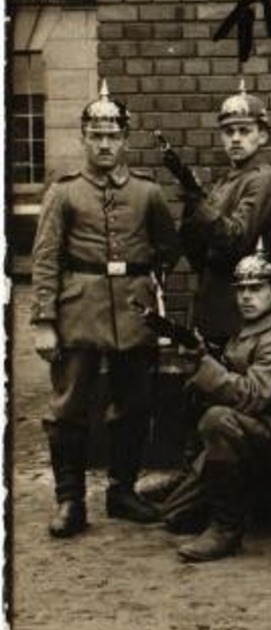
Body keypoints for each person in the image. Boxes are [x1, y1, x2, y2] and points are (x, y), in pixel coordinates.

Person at [32, 80, 181, 537]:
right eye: (95, 136)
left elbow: (167, 247)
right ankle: (70, 502)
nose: (103, 144)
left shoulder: (147, 193)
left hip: (133, 315)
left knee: (133, 404)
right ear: (83, 138)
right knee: (69, 407)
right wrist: (44, 321)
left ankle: (121, 491)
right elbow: (45, 258)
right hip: (79, 311)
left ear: (125, 140)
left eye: (112, 136)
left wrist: (148, 286)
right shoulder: (64, 193)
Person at [167, 247, 271, 562]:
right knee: (176, 516)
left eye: (256, 288)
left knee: (217, 419)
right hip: (256, 430)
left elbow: (253, 395)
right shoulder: (248, 331)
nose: (246, 296)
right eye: (242, 289)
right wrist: (199, 359)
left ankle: (226, 529)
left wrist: (205, 367)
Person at [176, 81, 271, 343]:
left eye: (244, 130)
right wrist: (191, 205)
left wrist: (199, 205)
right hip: (216, 301)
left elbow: (235, 239)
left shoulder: (263, 180)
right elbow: (196, 251)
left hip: (246, 304)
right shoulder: (226, 180)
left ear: (262, 135)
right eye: (228, 132)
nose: (235, 138)